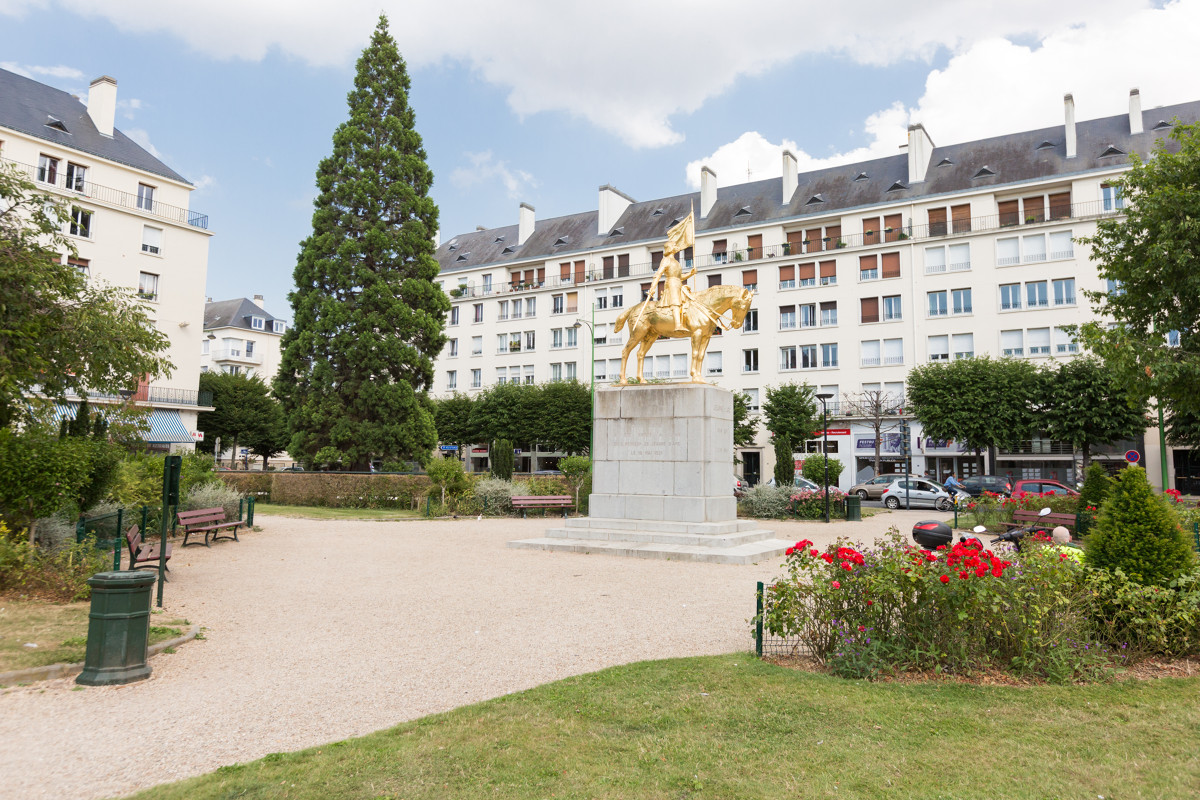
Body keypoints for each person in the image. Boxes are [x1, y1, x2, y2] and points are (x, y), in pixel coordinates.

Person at [648, 249, 697, 333]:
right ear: (670, 248)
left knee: (685, 302)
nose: (676, 246)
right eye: (674, 245)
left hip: (678, 283)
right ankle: (678, 325)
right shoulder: (666, 260)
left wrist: (690, 273)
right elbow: (659, 273)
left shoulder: (676, 262)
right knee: (676, 302)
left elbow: (680, 276)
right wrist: (653, 287)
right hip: (671, 283)